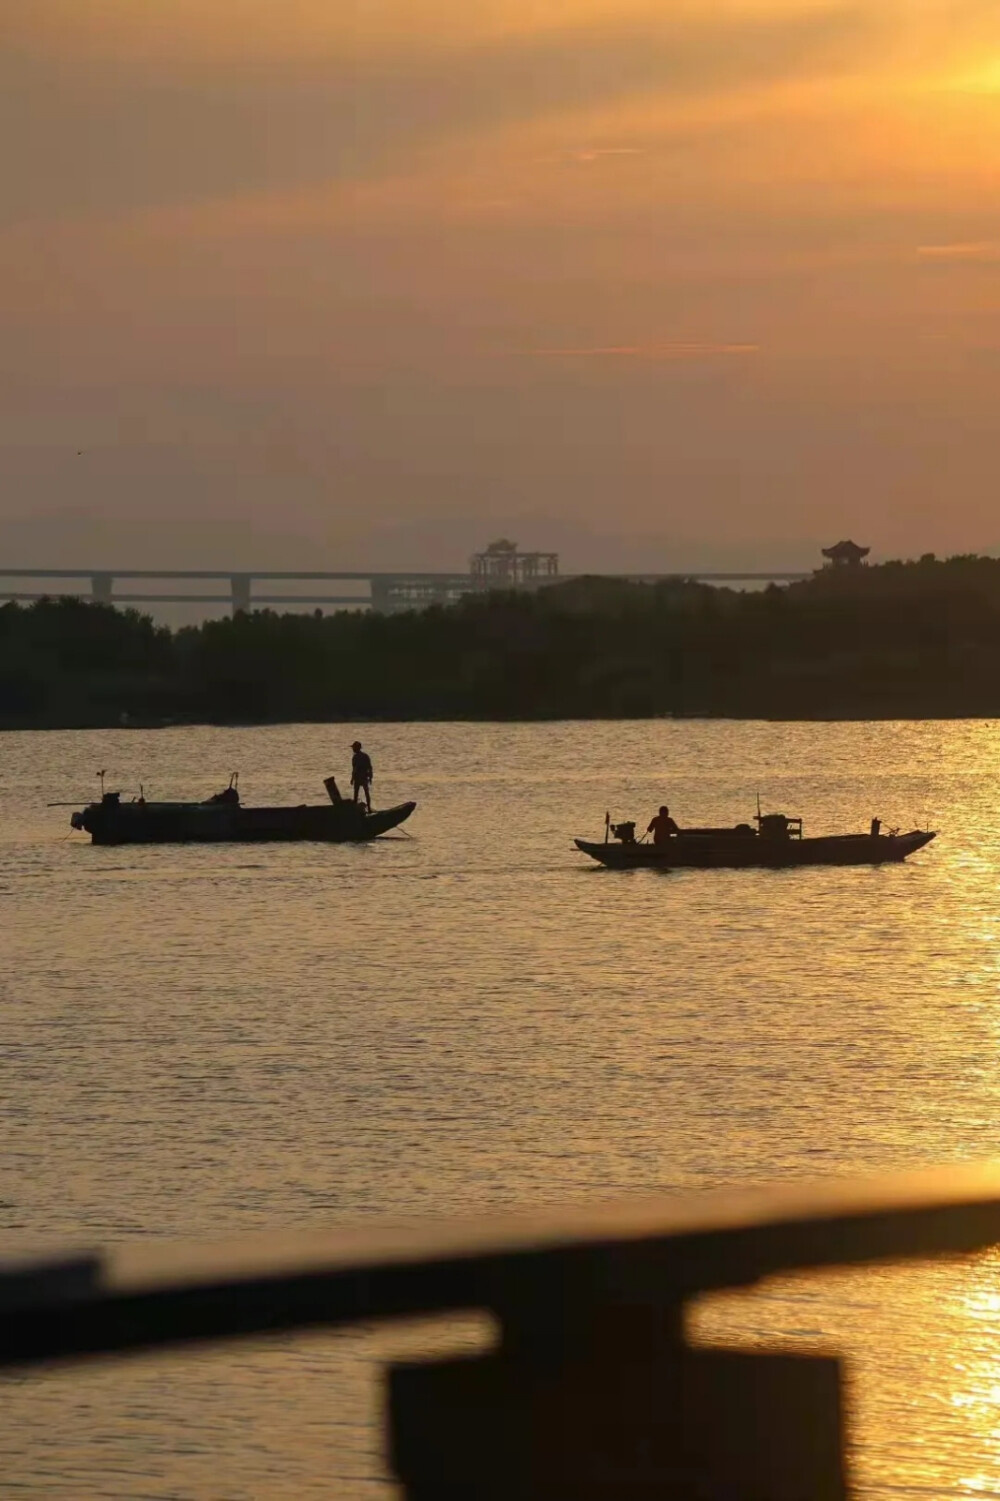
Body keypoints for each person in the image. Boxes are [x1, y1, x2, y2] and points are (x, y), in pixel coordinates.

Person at [350, 740, 374, 811]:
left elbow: (369, 767)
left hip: (361, 777)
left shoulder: (358, 757)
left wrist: (352, 778)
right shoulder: (363, 756)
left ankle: (367, 808)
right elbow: (369, 768)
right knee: (364, 793)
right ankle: (368, 808)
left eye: (354, 748)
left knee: (357, 794)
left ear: (358, 748)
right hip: (361, 777)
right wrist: (370, 777)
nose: (353, 749)